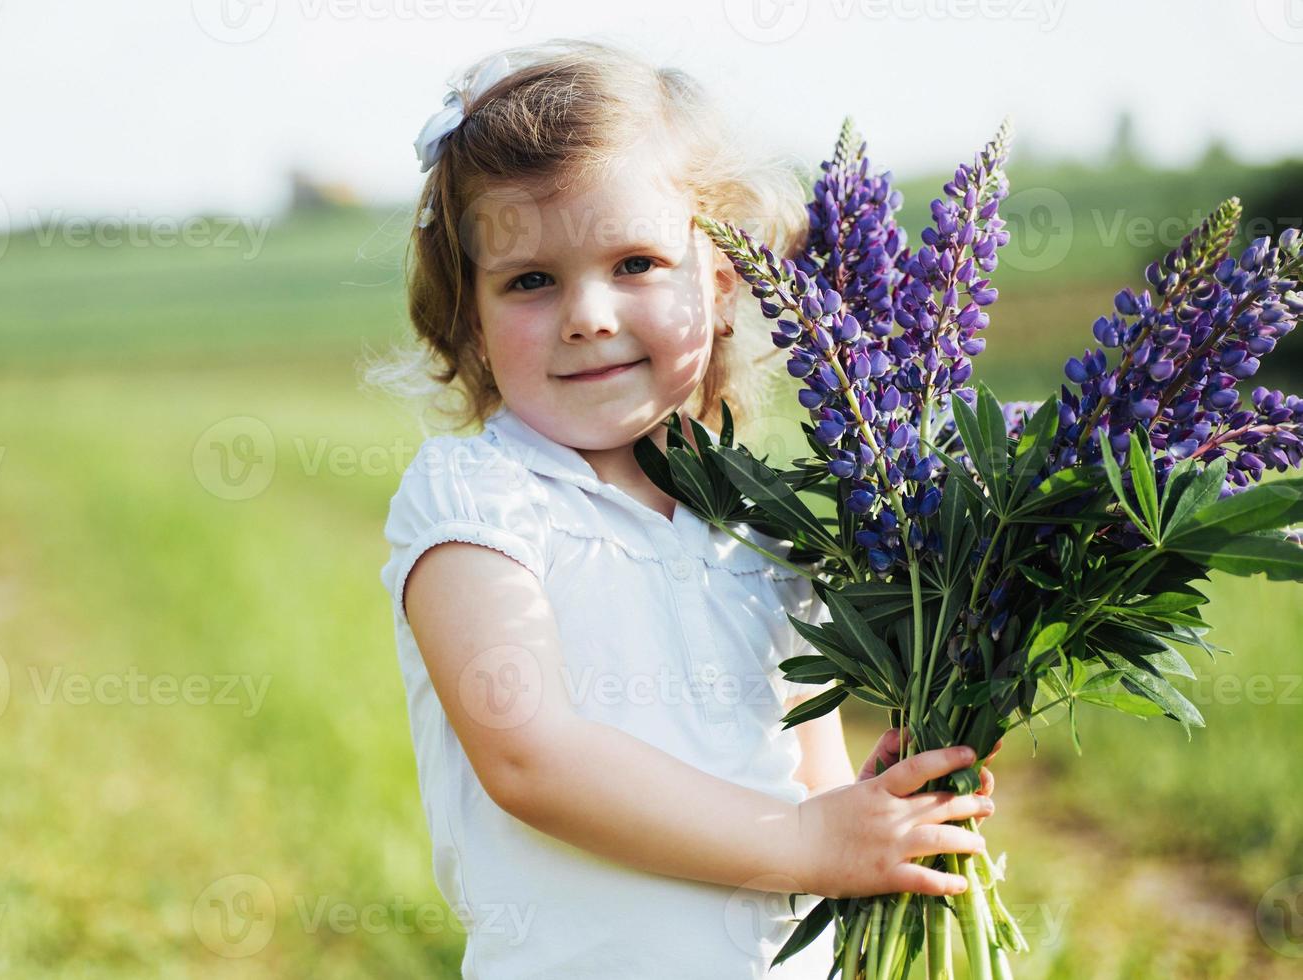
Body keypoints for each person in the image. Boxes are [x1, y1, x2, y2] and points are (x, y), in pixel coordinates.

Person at [371, 37, 995, 979]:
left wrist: (872, 819)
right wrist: (801, 845)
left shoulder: (762, 523)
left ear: (721, 278)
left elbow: (807, 780)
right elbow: (529, 757)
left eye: (635, 262)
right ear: (469, 317)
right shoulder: (478, 500)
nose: (587, 313)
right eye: (530, 281)